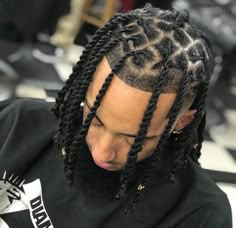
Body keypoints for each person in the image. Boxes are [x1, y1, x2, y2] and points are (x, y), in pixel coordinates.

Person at [0, 4, 232, 228]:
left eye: (134, 139)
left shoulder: (199, 214)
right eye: (96, 120)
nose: (103, 152)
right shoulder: (18, 125)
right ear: (86, 86)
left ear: (182, 121)